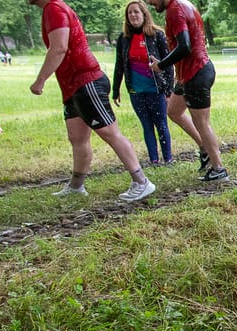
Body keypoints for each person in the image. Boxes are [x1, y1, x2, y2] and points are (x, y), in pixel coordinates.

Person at [28, 0, 155, 201]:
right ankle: (76, 186)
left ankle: (141, 182)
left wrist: (40, 80)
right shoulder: (53, 9)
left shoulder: (54, 8)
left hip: (86, 82)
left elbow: (59, 48)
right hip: (72, 86)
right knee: (77, 137)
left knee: (110, 133)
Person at [145, 0, 228, 182]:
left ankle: (219, 169)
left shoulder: (175, 10)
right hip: (187, 74)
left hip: (197, 72)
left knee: (202, 123)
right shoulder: (183, 5)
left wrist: (161, 65)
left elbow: (185, 46)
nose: (150, 3)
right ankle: (204, 148)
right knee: (173, 111)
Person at [113, 0, 175, 165]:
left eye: (136, 12)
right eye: (130, 13)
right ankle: (154, 160)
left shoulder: (156, 35)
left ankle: (168, 159)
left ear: (144, 14)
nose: (133, 15)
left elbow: (168, 64)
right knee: (147, 126)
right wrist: (115, 89)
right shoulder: (124, 39)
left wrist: (169, 90)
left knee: (161, 124)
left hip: (156, 89)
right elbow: (119, 65)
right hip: (136, 91)